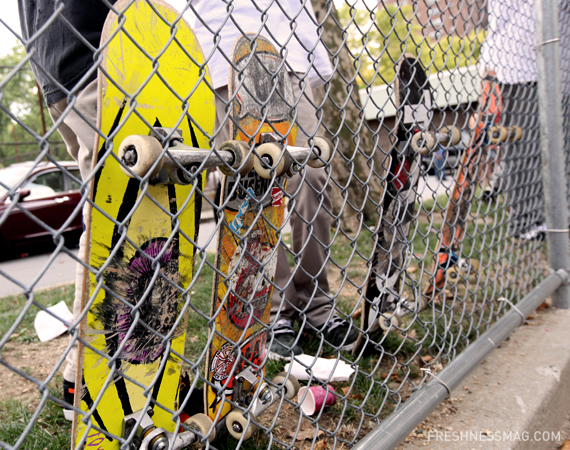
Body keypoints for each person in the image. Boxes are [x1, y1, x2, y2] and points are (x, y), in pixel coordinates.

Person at [190, 0, 359, 357]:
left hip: (289, 58)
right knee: (252, 188)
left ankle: (317, 302)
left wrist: (312, 59)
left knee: (312, 175)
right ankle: (277, 307)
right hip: (224, 64)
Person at [18, 0, 115, 421]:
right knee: (123, 213)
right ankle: (90, 378)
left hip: (56, 59)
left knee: (110, 211)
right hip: (95, 50)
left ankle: (92, 375)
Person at [480, 0, 545, 239]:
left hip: (554, 64)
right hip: (518, 67)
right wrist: (489, 77)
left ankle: (549, 214)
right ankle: (526, 221)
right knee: (523, 148)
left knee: (550, 148)